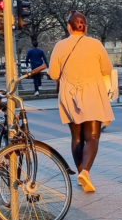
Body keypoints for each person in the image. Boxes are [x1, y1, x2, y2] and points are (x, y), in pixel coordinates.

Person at [49, 10, 114, 193]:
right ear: (85, 27)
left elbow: (54, 74)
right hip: (92, 93)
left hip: (69, 95)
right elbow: (106, 69)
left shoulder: (60, 46)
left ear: (69, 27)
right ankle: (85, 171)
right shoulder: (96, 44)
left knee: (76, 137)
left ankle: (81, 173)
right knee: (92, 136)